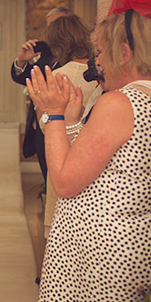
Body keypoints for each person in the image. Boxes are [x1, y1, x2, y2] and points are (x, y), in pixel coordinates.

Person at [26, 0, 151, 302]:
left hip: (100, 256)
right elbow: (108, 165)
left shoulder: (122, 102)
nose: (95, 62)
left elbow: (64, 181)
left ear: (126, 52)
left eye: (101, 53)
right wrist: (78, 120)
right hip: (133, 248)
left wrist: (53, 116)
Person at [40, 14, 100, 238]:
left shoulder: (56, 77)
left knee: (59, 234)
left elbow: (46, 126)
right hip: (94, 164)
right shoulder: (98, 77)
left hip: (64, 158)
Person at [11, 7, 72, 181]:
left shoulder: (77, 54)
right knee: (48, 179)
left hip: (66, 127)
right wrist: (22, 61)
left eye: (56, 24)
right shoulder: (46, 52)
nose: (51, 29)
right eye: (49, 25)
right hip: (41, 128)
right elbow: (26, 77)